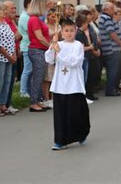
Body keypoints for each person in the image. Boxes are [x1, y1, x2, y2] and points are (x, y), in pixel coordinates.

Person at [45, 19, 90, 151]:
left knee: (76, 114)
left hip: (74, 85)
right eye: (66, 31)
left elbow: (74, 62)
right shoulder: (58, 44)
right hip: (60, 85)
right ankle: (60, 140)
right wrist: (52, 47)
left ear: (75, 31)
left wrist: (60, 51)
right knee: (60, 115)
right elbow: (49, 59)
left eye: (71, 30)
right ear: (61, 32)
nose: (69, 33)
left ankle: (81, 134)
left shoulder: (78, 46)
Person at [28, 0, 50, 112]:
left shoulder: (36, 19)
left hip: (40, 50)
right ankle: (33, 102)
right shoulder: (34, 20)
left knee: (40, 76)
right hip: (37, 50)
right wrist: (50, 46)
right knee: (38, 76)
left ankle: (37, 100)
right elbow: (39, 37)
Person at [98, 2, 121, 96]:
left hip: (112, 48)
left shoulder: (108, 18)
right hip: (111, 48)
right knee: (113, 70)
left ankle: (114, 88)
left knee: (115, 70)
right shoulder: (106, 18)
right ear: (106, 9)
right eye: (112, 8)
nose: (114, 10)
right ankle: (111, 90)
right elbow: (112, 34)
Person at [3, 0, 22, 115]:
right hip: (7, 55)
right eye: (12, 8)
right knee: (7, 80)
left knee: (11, 81)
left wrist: (18, 48)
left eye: (15, 8)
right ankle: (4, 104)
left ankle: (8, 103)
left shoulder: (12, 22)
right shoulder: (5, 22)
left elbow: (19, 37)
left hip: (14, 52)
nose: (14, 10)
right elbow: (15, 37)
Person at [43, 8, 61, 108]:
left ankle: (54, 98)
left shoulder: (58, 26)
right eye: (52, 16)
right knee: (47, 77)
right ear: (48, 16)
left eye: (56, 16)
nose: (54, 18)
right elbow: (46, 36)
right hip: (49, 51)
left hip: (57, 52)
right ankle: (46, 98)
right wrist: (54, 34)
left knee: (55, 76)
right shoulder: (45, 26)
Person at [18, 0, 33, 97]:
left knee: (30, 70)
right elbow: (30, 31)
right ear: (28, 5)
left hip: (30, 45)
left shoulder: (28, 16)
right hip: (26, 45)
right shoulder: (24, 17)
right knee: (27, 69)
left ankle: (27, 90)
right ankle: (23, 91)